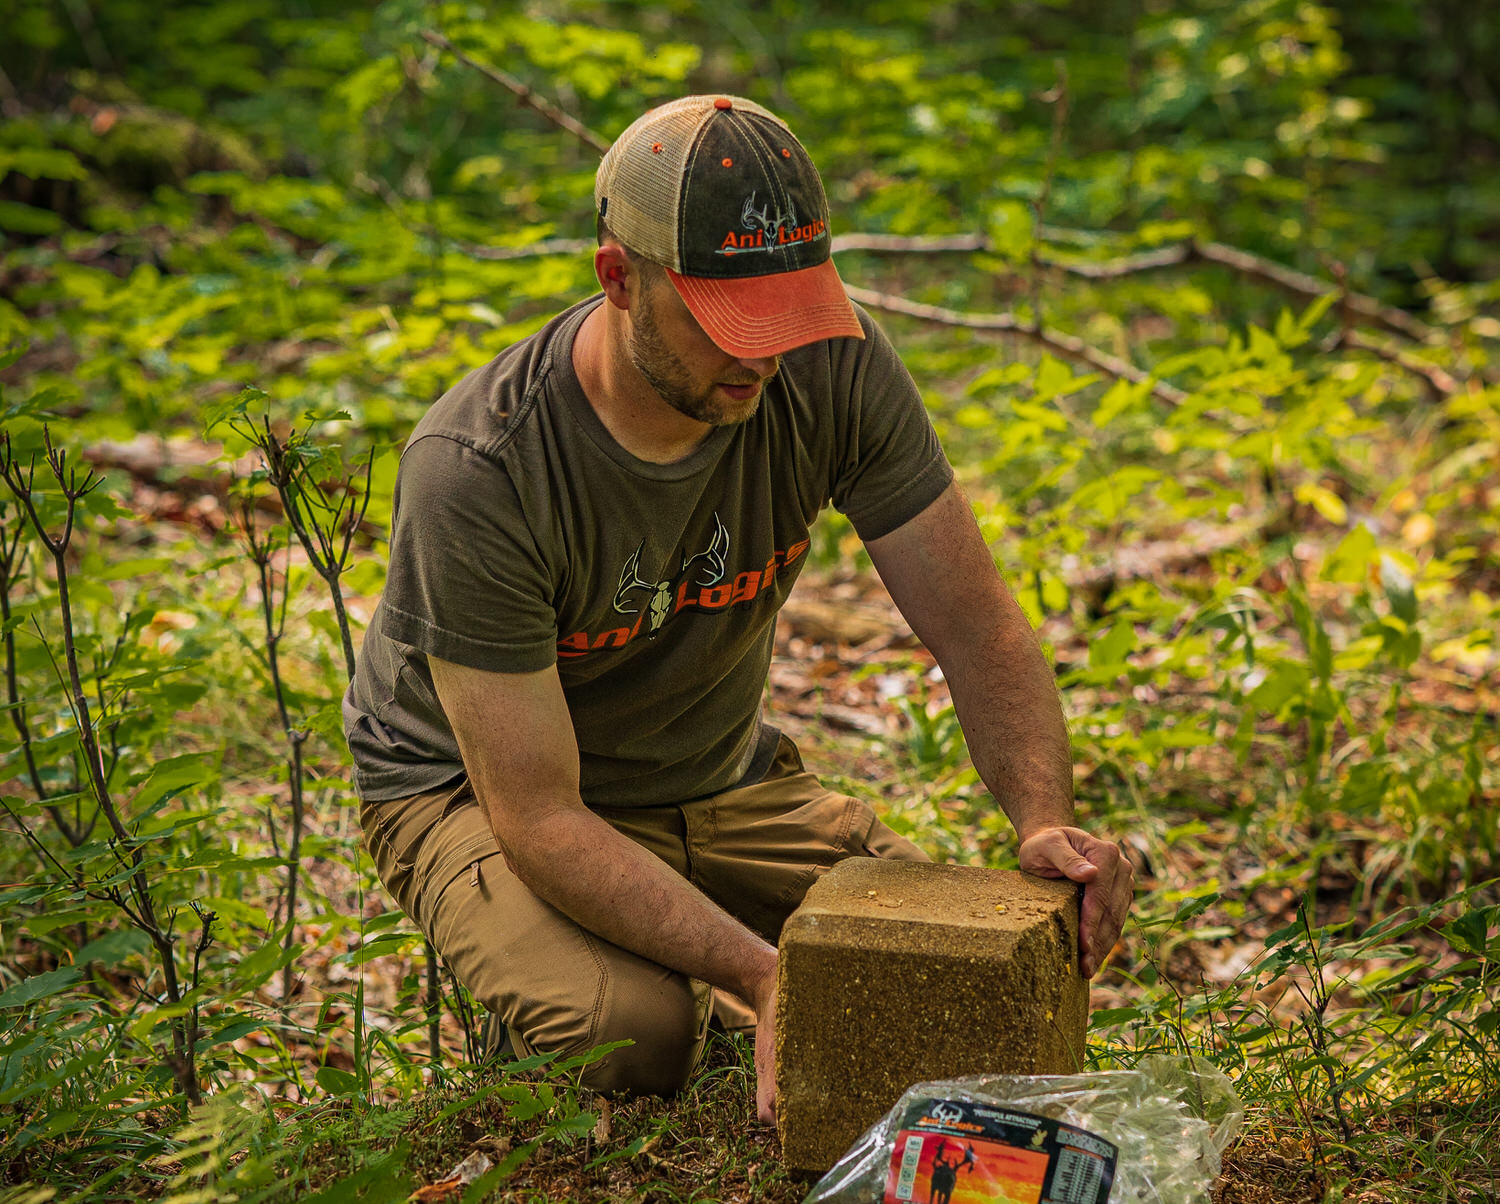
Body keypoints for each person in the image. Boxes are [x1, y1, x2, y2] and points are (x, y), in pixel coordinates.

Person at [343, 95, 1133, 1124]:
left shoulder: (834, 368)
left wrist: (1043, 818)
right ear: (620, 280)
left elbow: (976, 630)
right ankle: (620, 990)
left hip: (714, 778)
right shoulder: (482, 470)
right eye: (729, 325)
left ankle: (707, 956)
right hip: (479, 794)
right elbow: (536, 813)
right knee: (630, 1037)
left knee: (940, 978)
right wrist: (766, 978)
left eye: (789, 316)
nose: (763, 357)